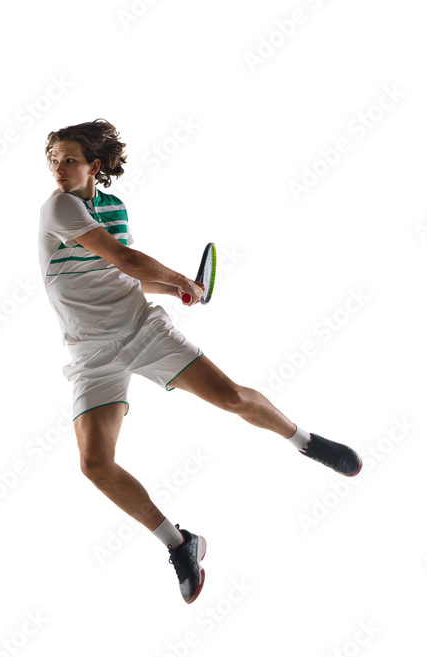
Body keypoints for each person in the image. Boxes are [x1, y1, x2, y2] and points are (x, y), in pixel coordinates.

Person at [38, 119, 362, 604]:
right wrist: (181, 282)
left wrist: (174, 287)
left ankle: (307, 441)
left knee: (231, 397)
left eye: (69, 160)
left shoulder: (115, 209)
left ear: (94, 166)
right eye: (53, 160)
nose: (58, 169)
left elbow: (121, 276)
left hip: (141, 329)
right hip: (89, 351)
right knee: (95, 464)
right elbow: (125, 261)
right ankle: (181, 542)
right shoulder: (59, 208)